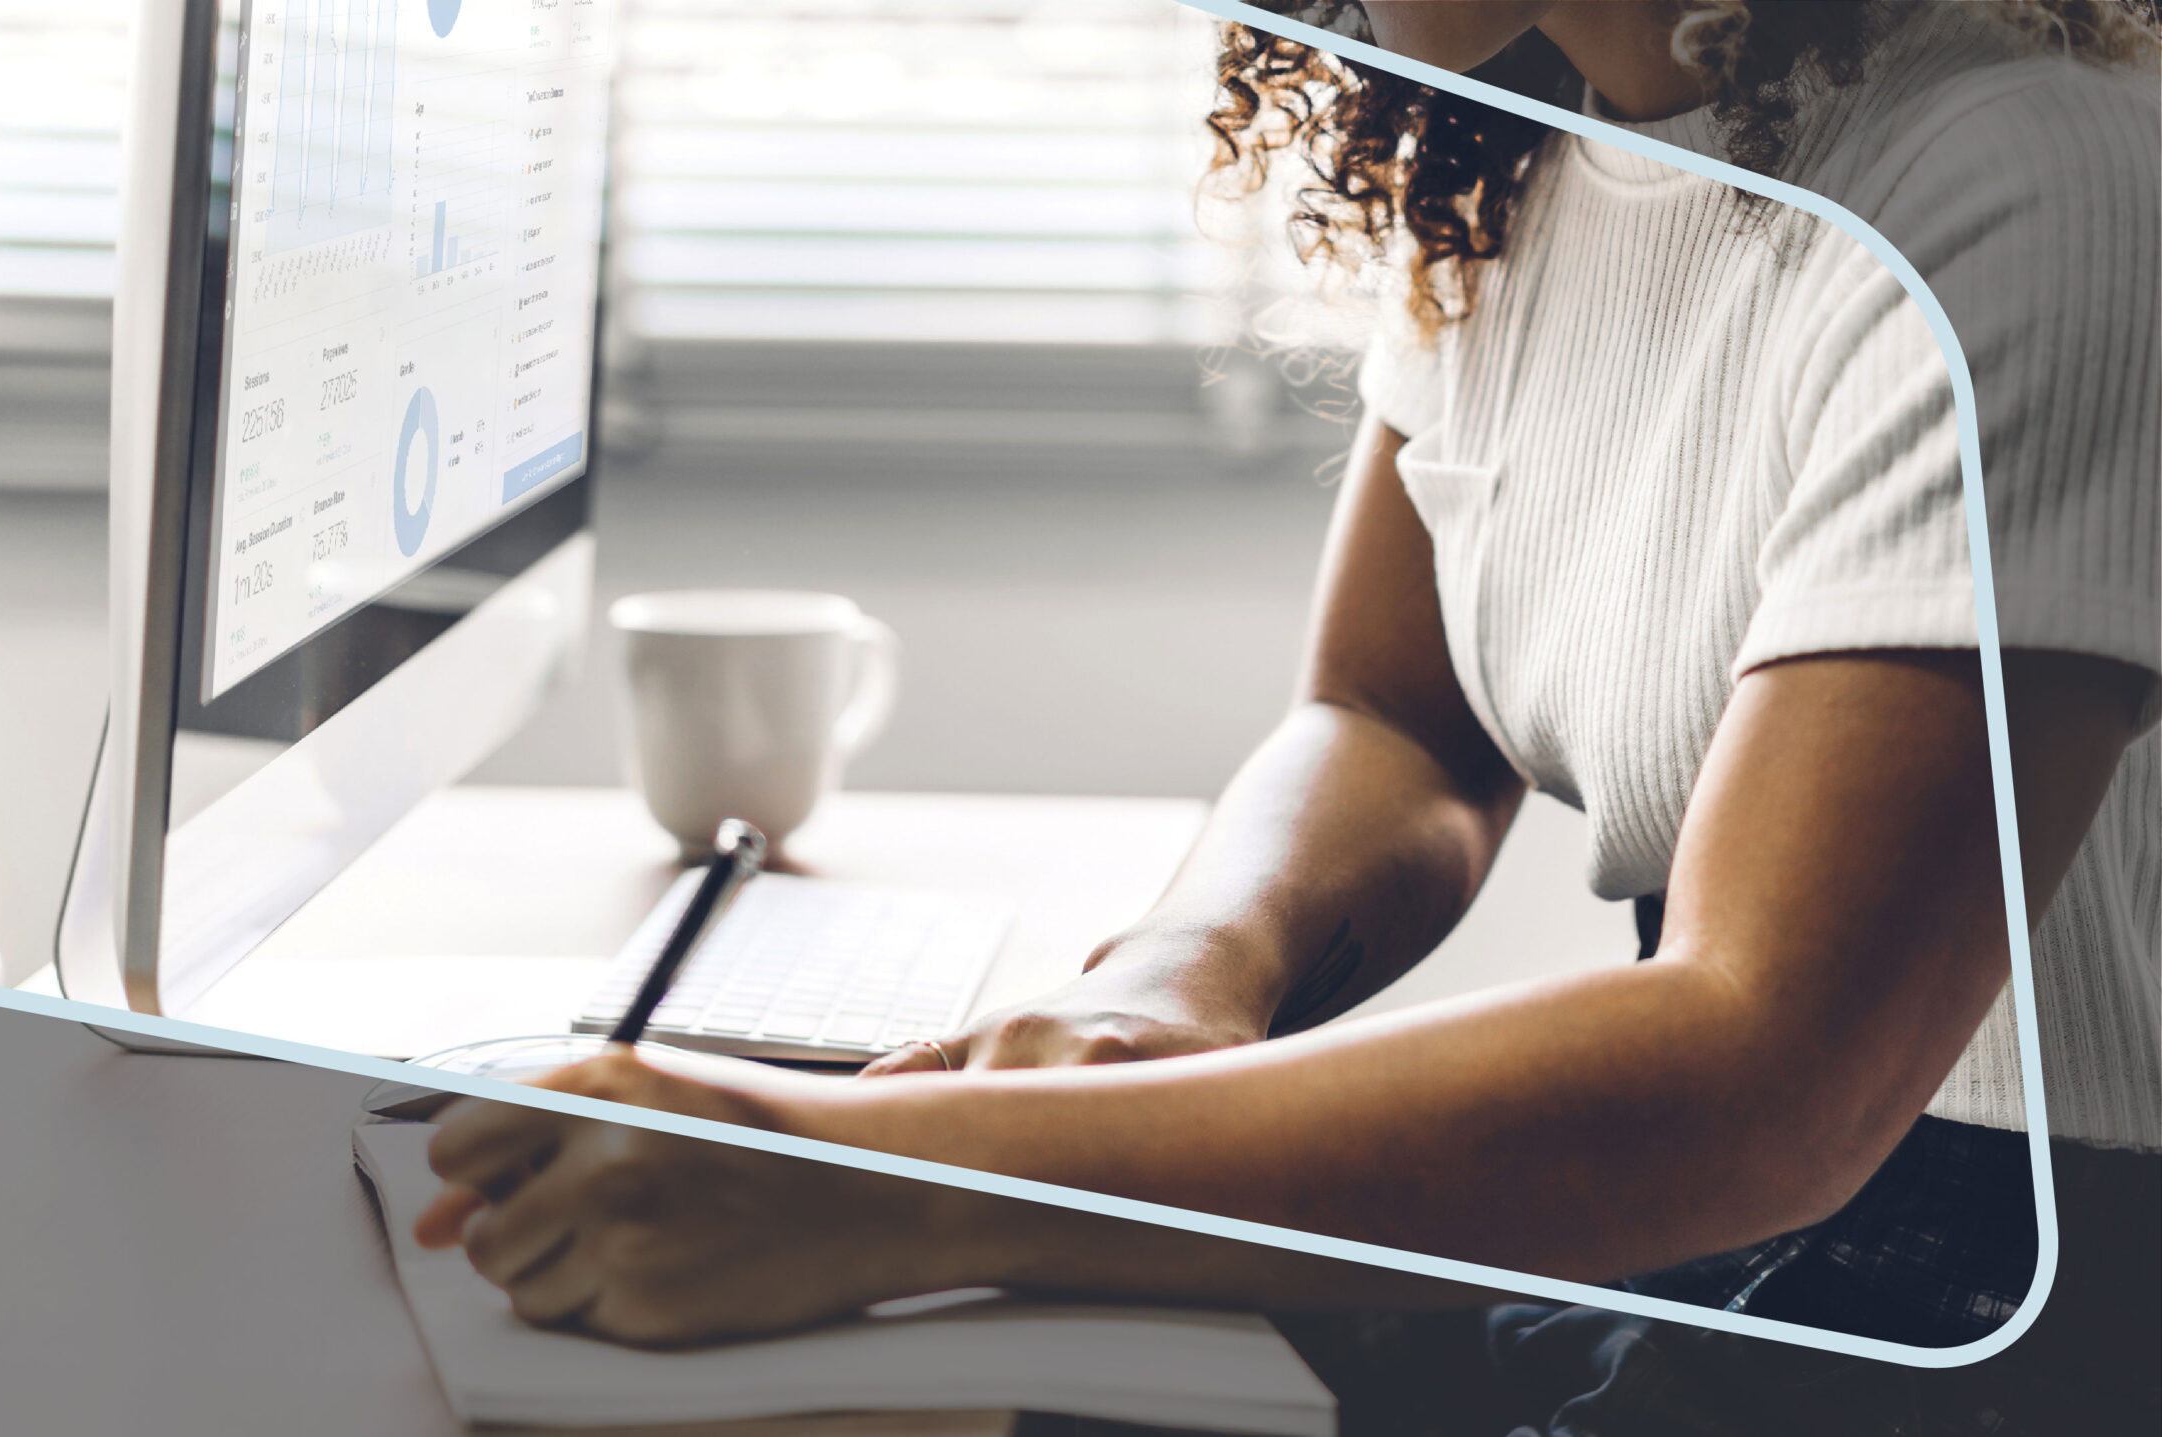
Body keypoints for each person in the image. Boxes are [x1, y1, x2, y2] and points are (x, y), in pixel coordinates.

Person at [415, 0, 2159, 1380]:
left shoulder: (2030, 172)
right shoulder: (1534, 140)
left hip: (2020, 1295)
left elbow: (1775, 1077)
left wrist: (884, 1179)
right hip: (1740, 1226)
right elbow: (1397, 721)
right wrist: (1182, 981)